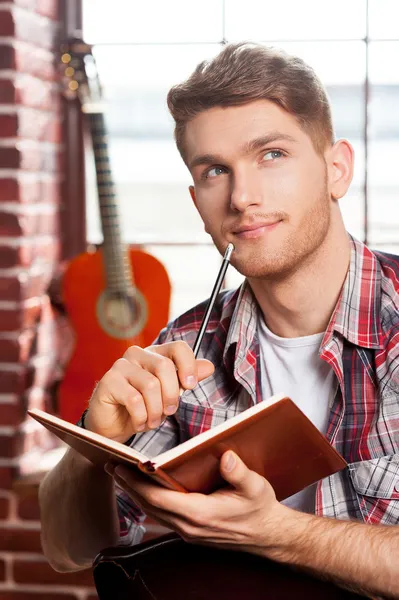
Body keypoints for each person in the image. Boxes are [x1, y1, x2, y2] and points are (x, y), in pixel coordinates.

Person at [39, 43, 399, 598]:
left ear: (337, 170)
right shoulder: (184, 346)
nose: (243, 197)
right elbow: (69, 549)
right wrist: (95, 443)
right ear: (196, 198)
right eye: (214, 170)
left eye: (272, 155)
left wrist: (276, 534)